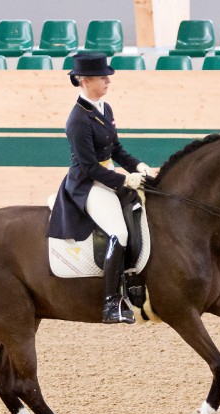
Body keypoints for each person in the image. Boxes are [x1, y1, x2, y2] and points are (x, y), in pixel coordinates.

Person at [47, 52, 152, 325]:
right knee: (118, 231)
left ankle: (134, 283)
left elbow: (116, 149)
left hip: (109, 176)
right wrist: (122, 181)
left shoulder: (104, 108)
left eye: (107, 76)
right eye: (102, 77)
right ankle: (110, 303)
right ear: (84, 81)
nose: (107, 80)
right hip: (87, 184)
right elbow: (90, 167)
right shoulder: (78, 120)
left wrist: (137, 166)